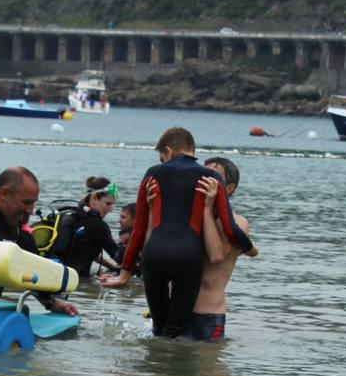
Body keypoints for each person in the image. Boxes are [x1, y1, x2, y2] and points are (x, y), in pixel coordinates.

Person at [101, 127, 254, 338]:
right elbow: (144, 230)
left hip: (206, 314)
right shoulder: (194, 197)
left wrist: (124, 274)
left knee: (163, 338)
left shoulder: (154, 173)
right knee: (165, 341)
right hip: (182, 271)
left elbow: (218, 254)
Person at [0, 167, 79, 315]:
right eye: (26, 203)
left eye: (33, 203)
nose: (31, 210)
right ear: (4, 194)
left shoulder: (14, 222)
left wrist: (51, 302)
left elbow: (31, 266)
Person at [189, 157, 252, 341]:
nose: (204, 180)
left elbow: (216, 255)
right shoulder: (185, 215)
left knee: (208, 370)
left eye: (212, 176)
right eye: (201, 175)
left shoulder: (238, 223)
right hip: (173, 310)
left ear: (229, 188)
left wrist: (207, 210)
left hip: (207, 315)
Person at [43, 176, 122, 277]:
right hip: (74, 281)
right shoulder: (97, 225)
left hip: (57, 274)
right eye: (108, 203)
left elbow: (85, 249)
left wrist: (112, 267)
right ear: (93, 198)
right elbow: (119, 257)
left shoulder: (75, 216)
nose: (111, 209)